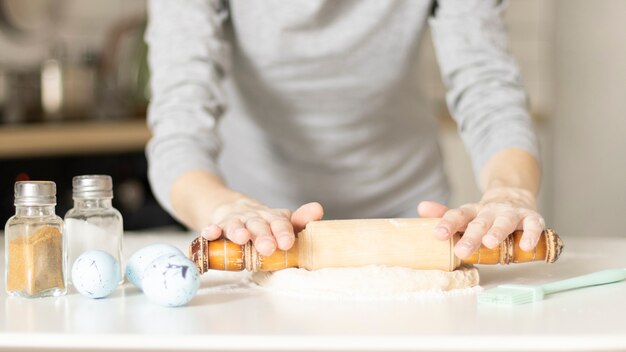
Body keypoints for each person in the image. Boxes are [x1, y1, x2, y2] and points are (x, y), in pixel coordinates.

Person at [145, 0, 545, 260]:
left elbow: (488, 88)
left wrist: (511, 191)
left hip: (411, 218)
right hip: (258, 231)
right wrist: (222, 208)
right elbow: (180, 128)